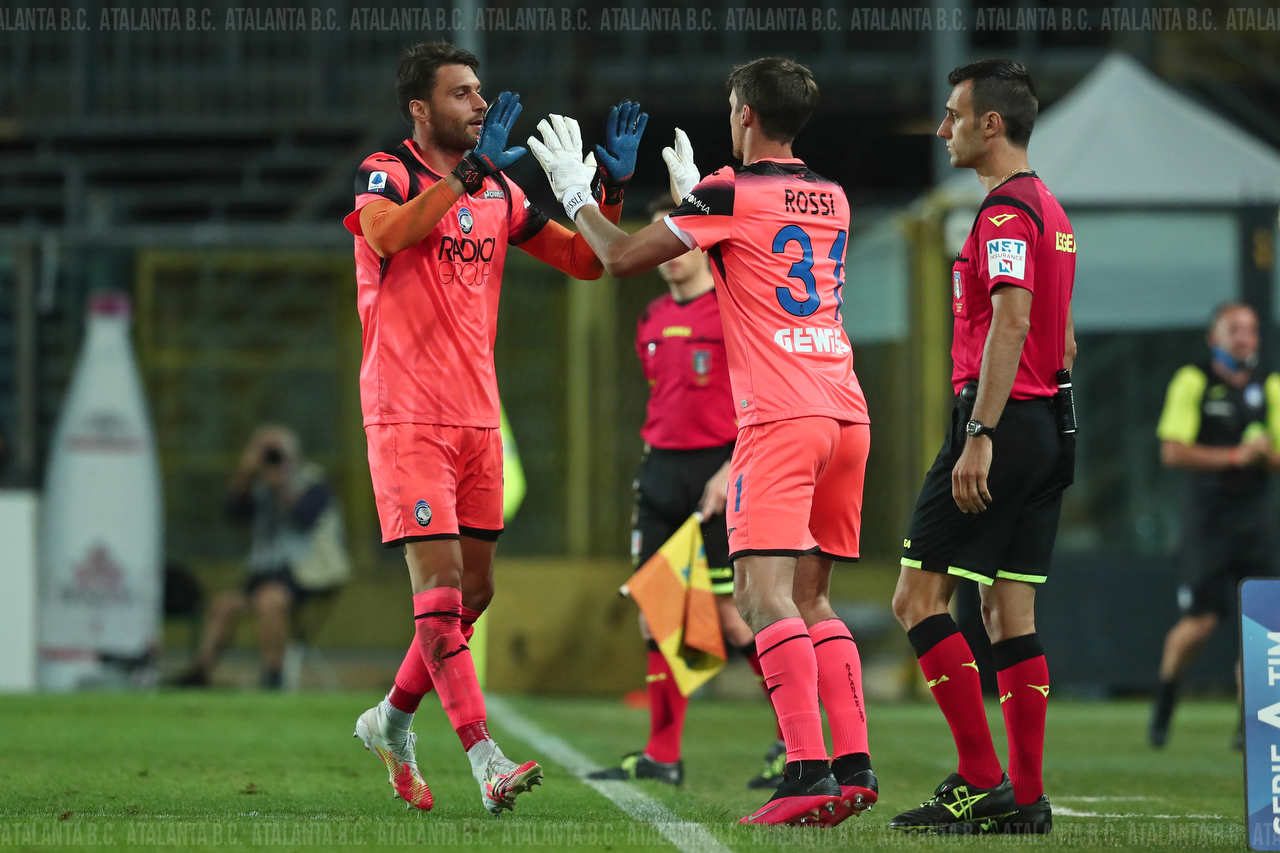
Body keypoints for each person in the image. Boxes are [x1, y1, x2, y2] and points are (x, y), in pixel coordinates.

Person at [527, 56, 876, 827]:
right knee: (815, 595)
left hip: (780, 417)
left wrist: (576, 195)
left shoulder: (729, 193)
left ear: (744, 113)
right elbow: (754, 253)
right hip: (846, 409)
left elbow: (618, 256)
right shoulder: (835, 195)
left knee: (760, 596)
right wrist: (698, 197)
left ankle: (806, 770)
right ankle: (853, 764)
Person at [341, 41, 638, 815]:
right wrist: (467, 177)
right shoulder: (390, 170)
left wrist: (608, 190)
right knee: (438, 592)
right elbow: (387, 235)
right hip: (406, 411)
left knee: (475, 591)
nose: (480, 104)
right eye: (462, 93)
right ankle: (486, 757)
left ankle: (392, 722)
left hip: (477, 414)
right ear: (420, 107)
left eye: (481, 92)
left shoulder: (500, 188)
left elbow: (584, 262)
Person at [888, 60, 1076, 835]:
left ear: (990, 125)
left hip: (1000, 425)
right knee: (1008, 609)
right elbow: (1062, 335)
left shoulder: (1002, 215)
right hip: (1051, 420)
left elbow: (1012, 321)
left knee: (917, 598)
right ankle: (1027, 798)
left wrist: (981, 433)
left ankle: (979, 775)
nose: (943, 129)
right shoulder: (1052, 211)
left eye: (954, 115)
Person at [587, 196, 784, 789]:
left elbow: (761, 395)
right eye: (659, 241)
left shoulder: (732, 309)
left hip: (721, 473)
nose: (669, 255)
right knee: (660, 609)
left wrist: (731, 467)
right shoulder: (649, 318)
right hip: (661, 473)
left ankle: (793, 743)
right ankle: (662, 755)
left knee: (733, 616)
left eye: (677, 240)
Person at [1150, 303, 1280, 749]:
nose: (1245, 337)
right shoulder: (1194, 380)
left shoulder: (1272, 386)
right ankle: (1163, 708)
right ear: (1214, 337)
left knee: (1258, 626)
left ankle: (1250, 729)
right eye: (1234, 329)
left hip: (1256, 523)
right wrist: (1234, 457)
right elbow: (1172, 450)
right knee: (1200, 623)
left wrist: (1265, 455)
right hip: (1207, 522)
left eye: (1251, 329)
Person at [170, 425, 336, 689]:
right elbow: (232, 513)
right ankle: (201, 671)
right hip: (264, 571)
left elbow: (304, 518)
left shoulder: (313, 481)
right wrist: (245, 474)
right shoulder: (257, 486)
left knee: (269, 601)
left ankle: (272, 674)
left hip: (306, 573)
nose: (269, 460)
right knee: (224, 605)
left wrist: (281, 484)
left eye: (275, 453)